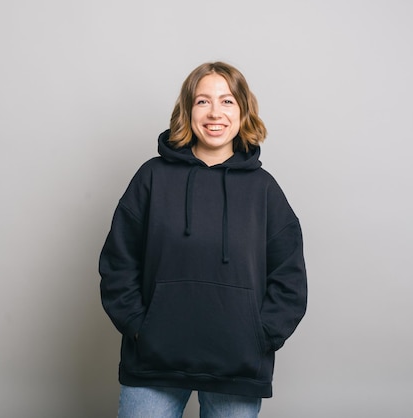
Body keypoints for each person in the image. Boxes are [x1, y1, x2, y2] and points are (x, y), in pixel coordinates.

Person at [98, 61, 307, 418]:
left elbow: (290, 277)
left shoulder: (264, 190)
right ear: (187, 110)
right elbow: (119, 262)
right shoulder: (151, 177)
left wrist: (260, 337)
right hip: (153, 361)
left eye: (227, 102)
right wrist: (140, 328)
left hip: (237, 366)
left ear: (243, 111)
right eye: (202, 101)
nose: (215, 113)